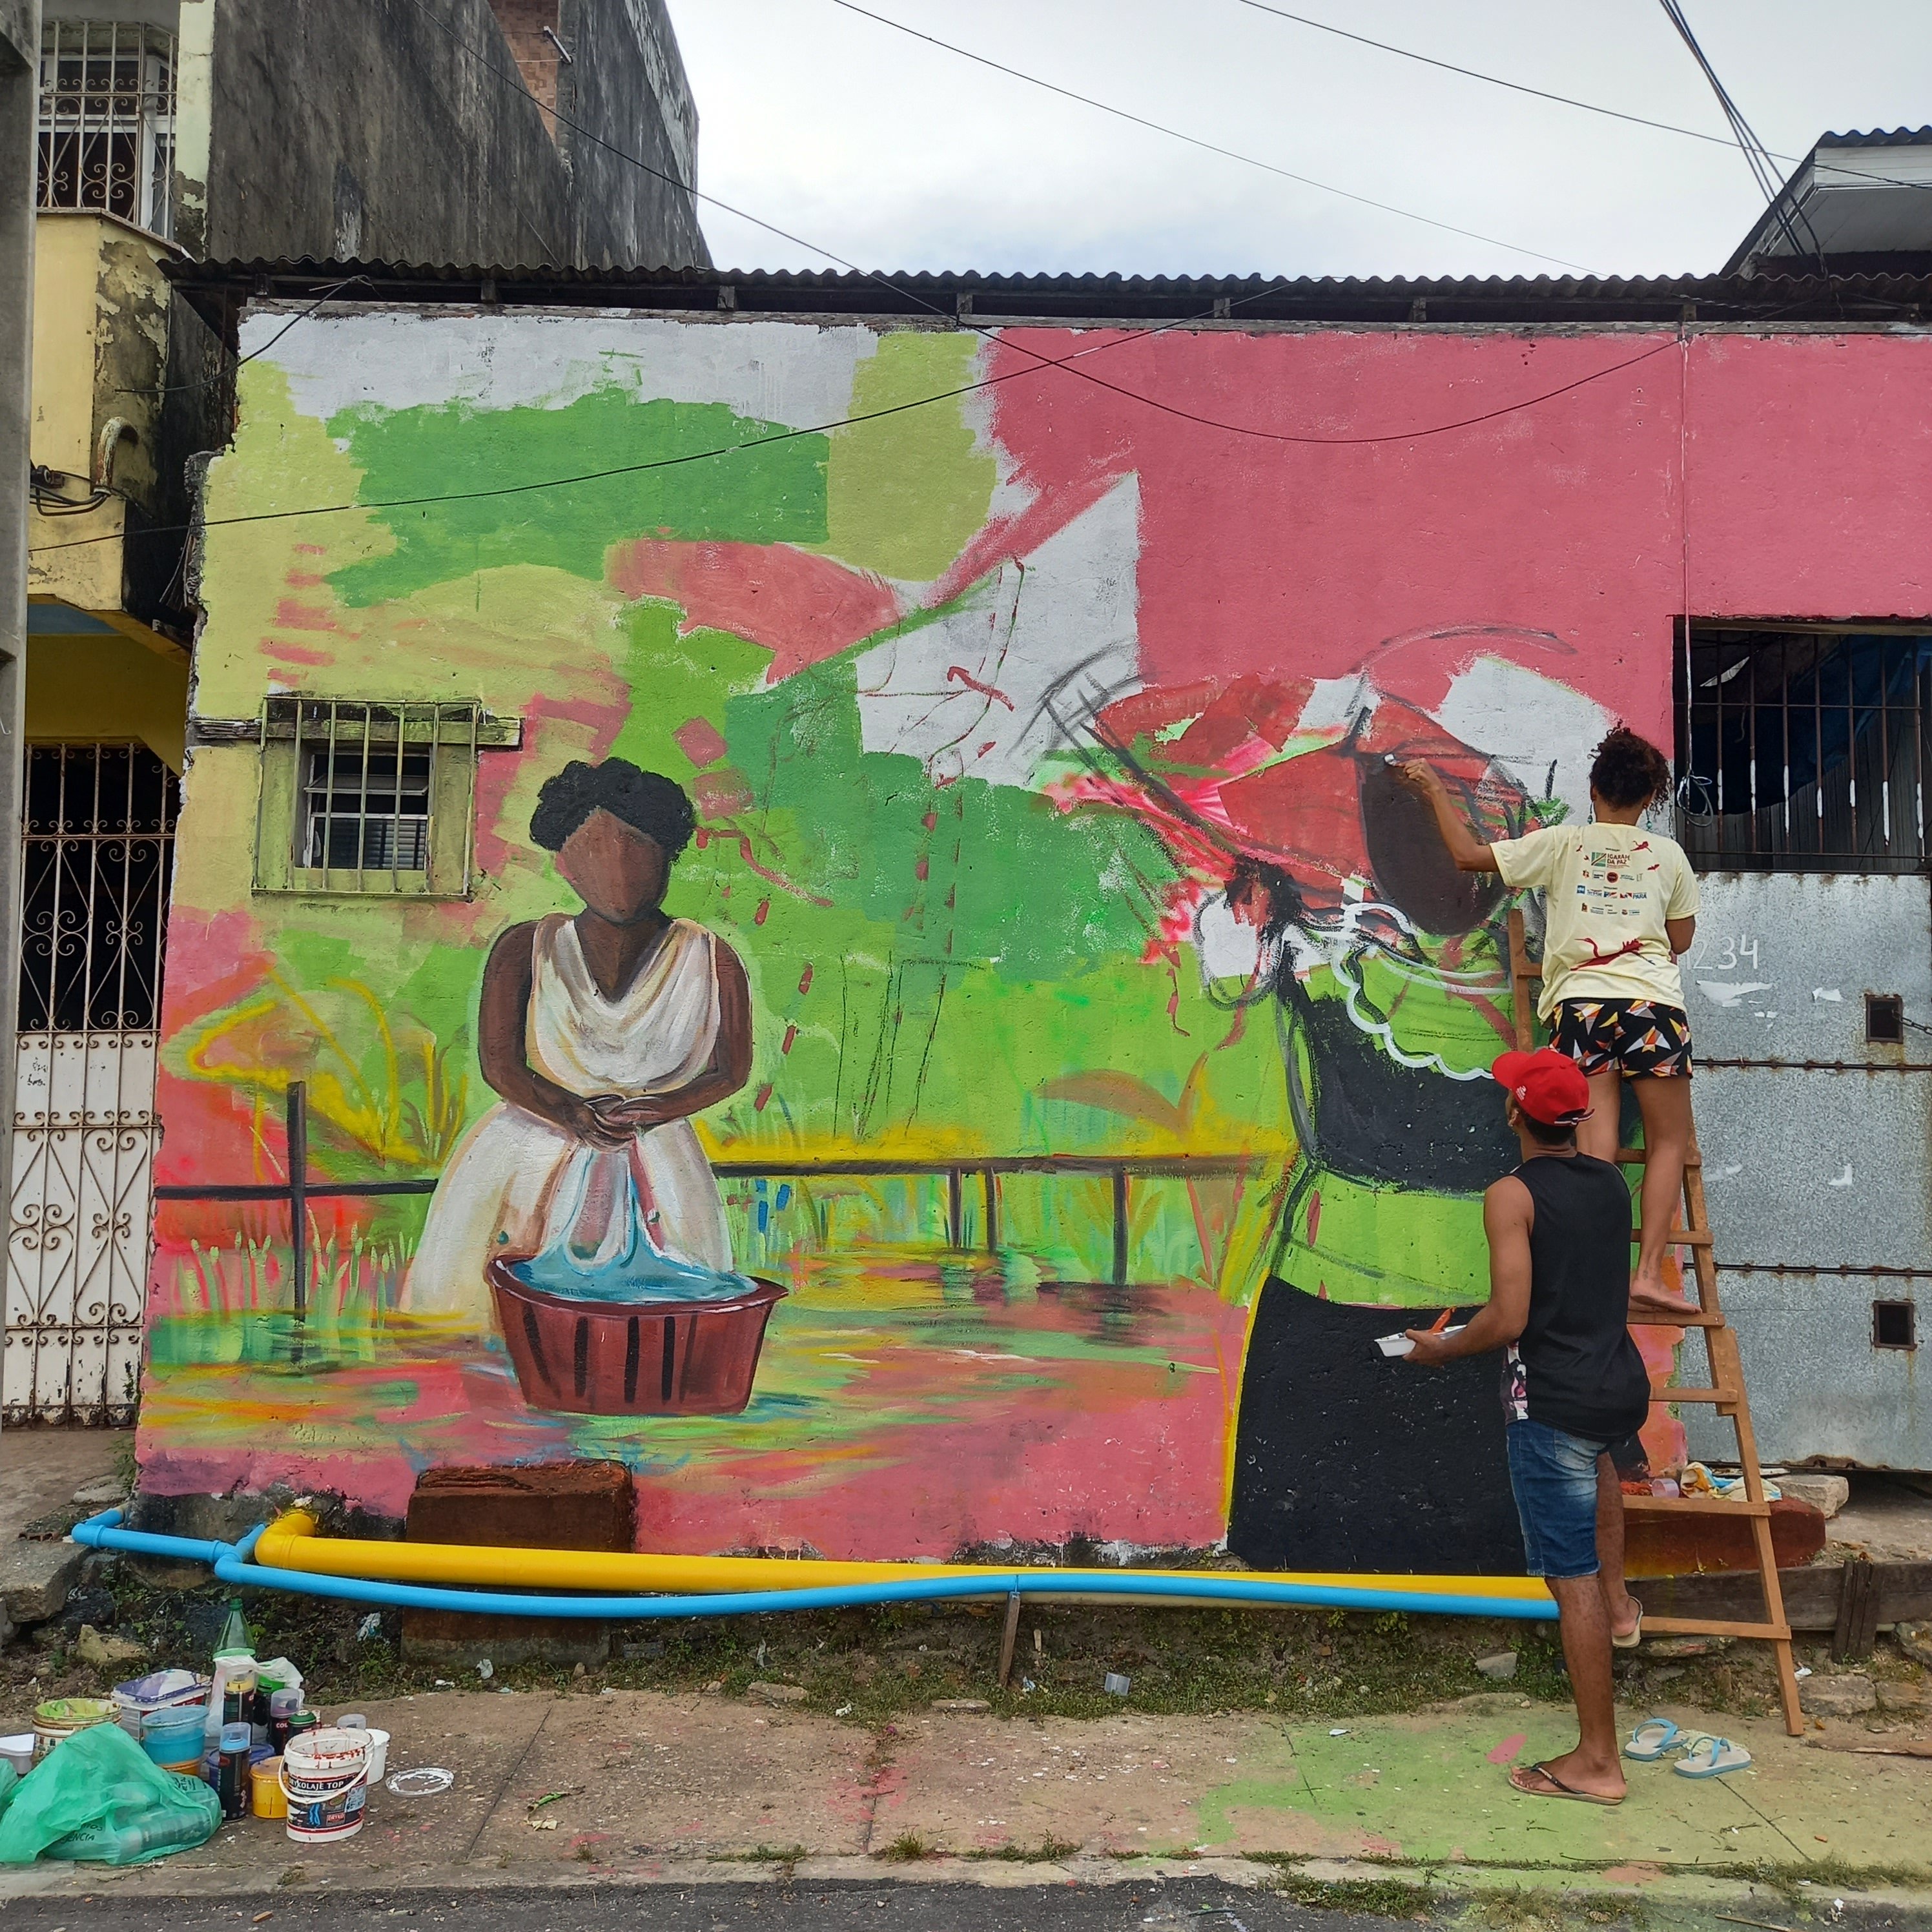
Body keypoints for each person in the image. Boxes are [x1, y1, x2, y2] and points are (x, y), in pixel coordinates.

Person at [404, 759, 753, 1328]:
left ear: (669, 855)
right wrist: (569, 1111)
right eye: (591, 847)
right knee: (491, 1315)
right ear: (564, 862)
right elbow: (500, 1062)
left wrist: (659, 1109)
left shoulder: (710, 958)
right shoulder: (527, 948)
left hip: (657, 1161)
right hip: (530, 1153)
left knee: (661, 1313)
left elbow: (731, 1070)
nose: (617, 867)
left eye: (638, 845)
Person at [1403, 1046, 1650, 1805]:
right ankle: (1617, 1606)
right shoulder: (1610, 1182)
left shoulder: (1510, 1195)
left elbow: (1508, 1316)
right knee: (1599, 1470)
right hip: (1614, 1389)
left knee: (1564, 1576)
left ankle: (1597, 1762)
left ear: (1515, 1113)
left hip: (1551, 1400)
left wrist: (1444, 1348)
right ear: (1576, 1118)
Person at [1398, 724, 1699, 1299]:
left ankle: (1599, 1275)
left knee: (1596, 1145)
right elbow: (1679, 940)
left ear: (1593, 787)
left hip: (1581, 1005)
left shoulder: (1563, 843)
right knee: (1667, 1143)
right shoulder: (1670, 857)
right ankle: (1646, 1277)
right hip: (1652, 1006)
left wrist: (1435, 788)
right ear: (1650, 796)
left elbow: (1467, 856)